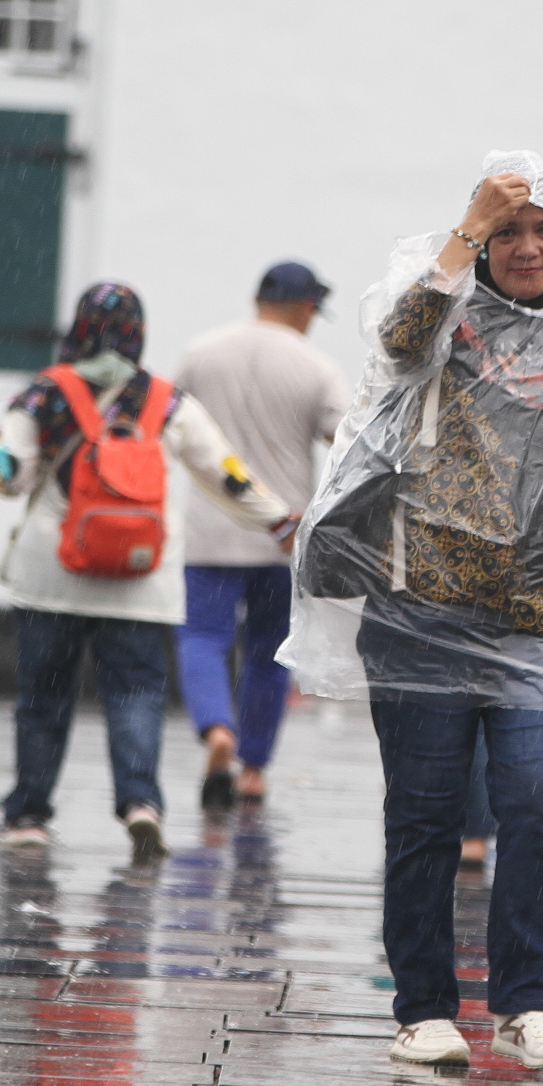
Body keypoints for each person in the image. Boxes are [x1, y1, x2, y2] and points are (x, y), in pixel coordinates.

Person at [280, 151, 543, 1073]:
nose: (526, 247)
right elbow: (396, 341)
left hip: (536, 620)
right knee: (426, 816)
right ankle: (425, 1007)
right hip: (421, 605)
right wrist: (463, 233)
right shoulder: (448, 317)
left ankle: (526, 1005)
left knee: (542, 804)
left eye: (540, 228)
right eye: (505, 230)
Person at [0, 282, 292, 862]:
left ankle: (28, 816)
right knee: (137, 696)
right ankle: (142, 803)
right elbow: (226, 473)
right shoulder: (167, 403)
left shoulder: (45, 394)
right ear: (137, 334)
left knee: (44, 700)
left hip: (53, 576)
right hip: (140, 581)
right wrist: (278, 522)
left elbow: (12, 476)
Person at [173, 261, 349, 812]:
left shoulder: (200, 353)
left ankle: (215, 728)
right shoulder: (316, 367)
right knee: (270, 653)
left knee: (202, 636)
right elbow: (345, 437)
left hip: (209, 528)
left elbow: (169, 423)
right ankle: (252, 770)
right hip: (283, 533)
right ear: (306, 308)